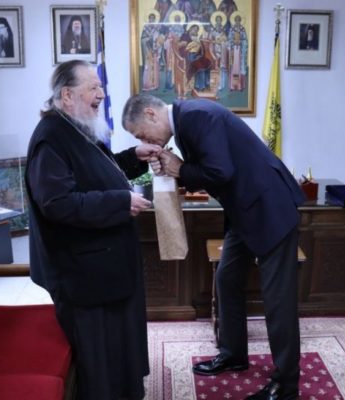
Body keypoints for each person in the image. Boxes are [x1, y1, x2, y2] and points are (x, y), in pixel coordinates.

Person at [122, 94, 305, 400]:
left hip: (269, 208)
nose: (144, 141)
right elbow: (209, 168)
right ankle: (233, 354)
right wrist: (175, 169)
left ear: (151, 114)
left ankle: (286, 385)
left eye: (141, 134)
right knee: (227, 278)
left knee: (278, 300)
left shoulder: (196, 116)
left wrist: (181, 169)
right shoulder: (184, 121)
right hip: (243, 211)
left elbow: (220, 171)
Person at [25, 60, 159, 399]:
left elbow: (98, 171)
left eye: (101, 86)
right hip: (83, 274)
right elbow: (57, 203)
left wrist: (134, 156)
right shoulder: (51, 138)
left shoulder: (75, 127)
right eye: (93, 88)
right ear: (67, 95)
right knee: (100, 360)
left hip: (103, 266)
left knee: (119, 347)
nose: (102, 94)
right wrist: (120, 202)